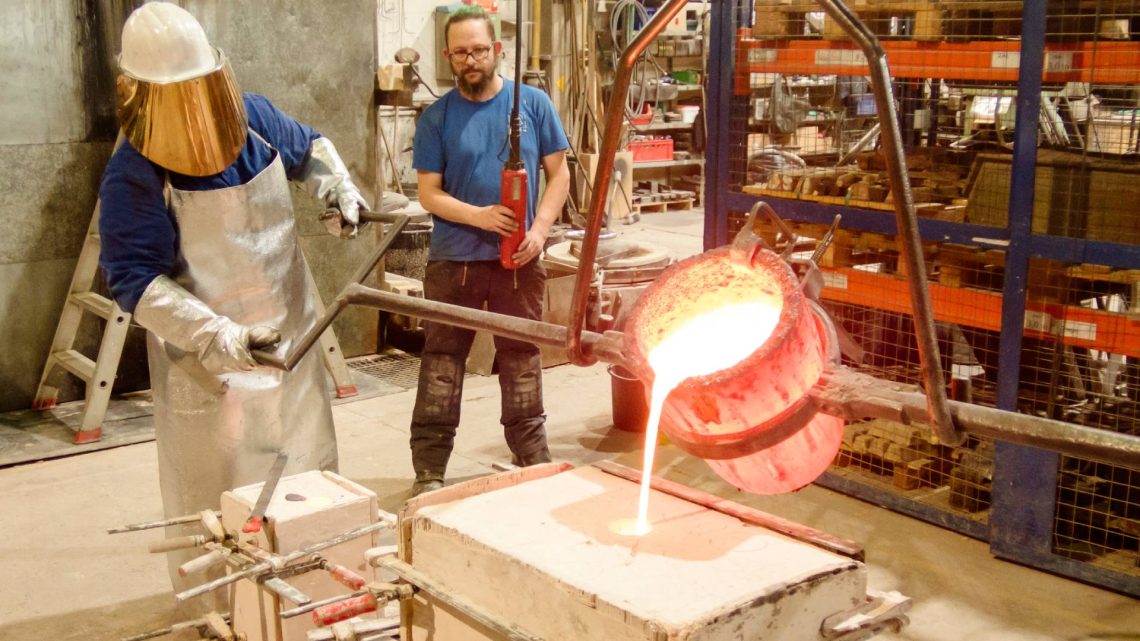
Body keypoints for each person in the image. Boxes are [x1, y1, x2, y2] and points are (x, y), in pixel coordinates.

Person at [97, 2, 368, 605]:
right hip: (209, 374)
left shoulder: (254, 120)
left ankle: (319, 595)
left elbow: (312, 149)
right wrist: (221, 336)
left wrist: (338, 186)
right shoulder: (134, 177)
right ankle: (230, 613)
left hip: (291, 352)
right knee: (224, 508)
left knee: (309, 481)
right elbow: (136, 284)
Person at [409, 5, 570, 496]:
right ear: (448, 57)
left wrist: (539, 230)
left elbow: (559, 174)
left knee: (521, 355)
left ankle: (531, 455)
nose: (471, 59)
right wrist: (478, 216)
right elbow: (428, 193)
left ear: (497, 50)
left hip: (518, 262)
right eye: (461, 52)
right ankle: (430, 470)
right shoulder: (436, 117)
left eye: (479, 49)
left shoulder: (534, 104)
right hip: (453, 260)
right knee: (441, 361)